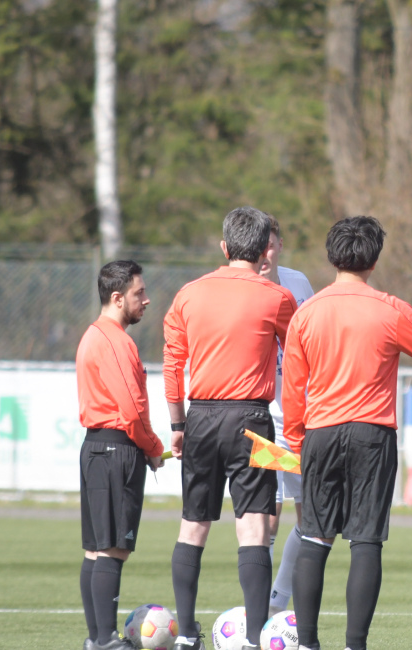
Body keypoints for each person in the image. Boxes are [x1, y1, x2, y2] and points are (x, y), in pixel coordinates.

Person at [281, 216, 412, 650]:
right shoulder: (391, 310)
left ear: (331, 256)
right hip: (371, 435)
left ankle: (307, 643)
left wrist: (298, 443)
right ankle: (355, 645)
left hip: (320, 433)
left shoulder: (306, 314)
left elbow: (294, 391)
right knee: (366, 540)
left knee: (314, 538)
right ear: (374, 260)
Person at [163, 206, 297, 649]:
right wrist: (298, 423)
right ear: (263, 250)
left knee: (192, 526)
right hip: (252, 419)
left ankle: (186, 635)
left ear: (224, 247)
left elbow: (172, 363)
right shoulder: (277, 297)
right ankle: (256, 639)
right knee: (255, 528)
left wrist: (177, 423)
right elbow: (299, 362)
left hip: (200, 416)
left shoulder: (188, 295)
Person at [76, 260, 165, 650]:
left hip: (96, 446)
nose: (146, 300)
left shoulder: (92, 335)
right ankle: (106, 640)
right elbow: (132, 409)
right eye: (138, 293)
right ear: (117, 298)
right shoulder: (116, 341)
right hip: (117, 450)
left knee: (96, 550)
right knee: (112, 549)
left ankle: (97, 638)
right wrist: (154, 447)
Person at [257, 214, 316, 616]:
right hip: (262, 421)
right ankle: (260, 605)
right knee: (268, 517)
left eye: (271, 244)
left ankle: (278, 601)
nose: (265, 253)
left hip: (302, 420)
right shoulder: (243, 290)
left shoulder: (299, 284)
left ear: (279, 246)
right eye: (258, 245)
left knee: (311, 515)